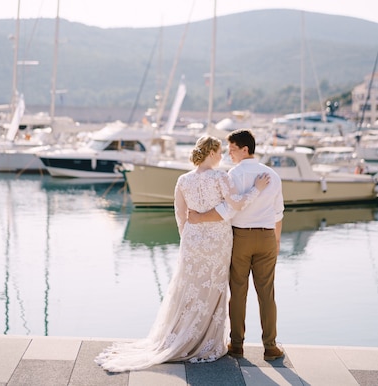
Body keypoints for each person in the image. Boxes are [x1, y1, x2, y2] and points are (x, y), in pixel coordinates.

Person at [95, 135, 270, 372]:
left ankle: (180, 336)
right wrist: (257, 189)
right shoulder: (220, 176)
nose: (221, 157)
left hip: (192, 239)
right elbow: (236, 204)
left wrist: (188, 237)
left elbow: (180, 215)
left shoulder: (183, 180)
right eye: (219, 152)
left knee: (189, 287)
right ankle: (207, 342)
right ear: (210, 153)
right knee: (213, 288)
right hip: (217, 240)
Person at [189, 129, 285, 361]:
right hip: (267, 237)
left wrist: (200, 218)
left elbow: (227, 209)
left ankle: (236, 345)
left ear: (245, 149)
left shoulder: (232, 175)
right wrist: (276, 241)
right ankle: (270, 346)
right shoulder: (271, 175)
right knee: (267, 294)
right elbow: (278, 213)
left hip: (240, 238)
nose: (229, 154)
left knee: (238, 292)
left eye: (232, 149)